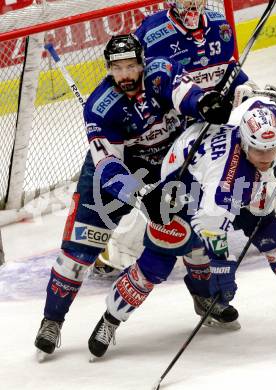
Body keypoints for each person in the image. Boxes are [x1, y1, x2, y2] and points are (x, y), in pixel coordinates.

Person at [87, 94, 276, 359]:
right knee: (154, 265)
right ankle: (110, 319)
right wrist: (222, 268)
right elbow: (211, 229)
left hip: (240, 186)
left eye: (272, 149)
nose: (266, 157)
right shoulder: (223, 182)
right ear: (244, 143)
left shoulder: (266, 123)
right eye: (258, 151)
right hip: (182, 194)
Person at [33, 33, 233, 358]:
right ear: (109, 68)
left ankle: (204, 299)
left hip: (166, 167)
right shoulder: (100, 107)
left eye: (130, 66)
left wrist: (204, 103)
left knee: (191, 235)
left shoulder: (161, 72)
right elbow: (109, 166)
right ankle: (51, 321)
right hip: (110, 178)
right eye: (117, 68)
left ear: (142, 64)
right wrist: (142, 196)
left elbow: (185, 95)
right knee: (77, 253)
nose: (125, 75)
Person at [94, 0, 276, 289]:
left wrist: (248, 93)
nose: (192, 4)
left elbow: (232, 74)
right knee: (168, 192)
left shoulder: (219, 26)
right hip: (175, 128)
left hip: (219, 121)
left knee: (258, 154)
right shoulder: (151, 31)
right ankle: (119, 250)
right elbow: (143, 84)